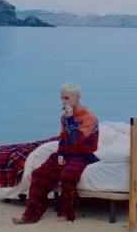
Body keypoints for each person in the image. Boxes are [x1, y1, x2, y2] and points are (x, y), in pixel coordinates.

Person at [12, 82, 100, 224]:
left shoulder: (88, 117)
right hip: (68, 154)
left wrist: (70, 117)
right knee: (39, 173)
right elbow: (63, 138)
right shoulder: (64, 116)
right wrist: (60, 154)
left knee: (68, 174)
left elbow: (75, 139)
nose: (63, 102)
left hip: (84, 155)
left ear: (77, 98)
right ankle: (31, 214)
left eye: (66, 98)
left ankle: (65, 212)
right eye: (61, 98)